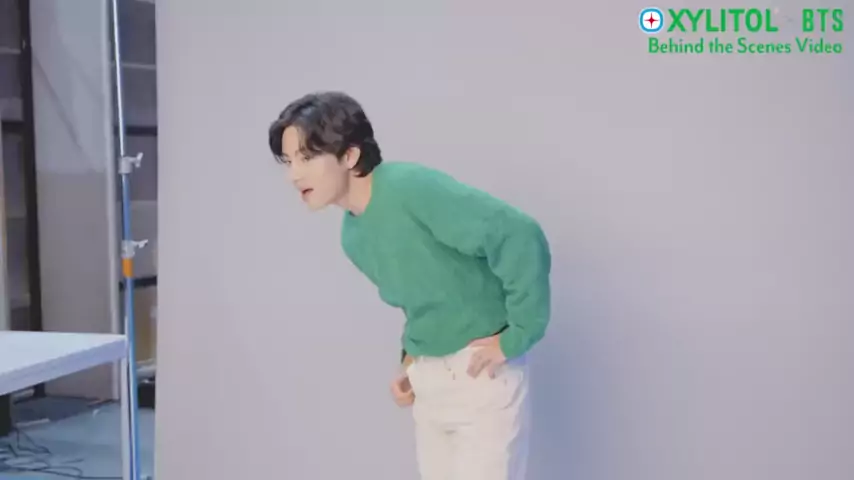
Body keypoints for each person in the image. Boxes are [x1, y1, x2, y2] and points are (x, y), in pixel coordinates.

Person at [267, 91, 551, 480]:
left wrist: (518, 334)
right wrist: (411, 360)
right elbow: (419, 298)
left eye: (306, 157)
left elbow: (519, 234)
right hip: (430, 386)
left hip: (480, 377)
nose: (293, 175)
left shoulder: (409, 187)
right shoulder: (352, 236)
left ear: (349, 155)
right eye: (288, 162)